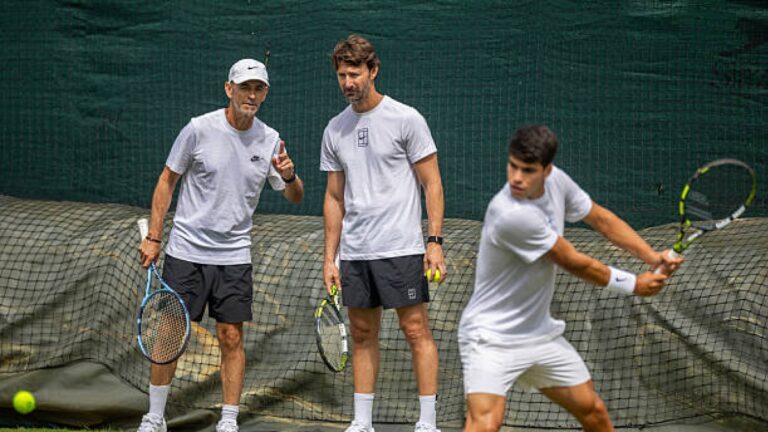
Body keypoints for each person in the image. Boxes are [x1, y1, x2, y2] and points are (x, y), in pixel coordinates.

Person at [458, 125, 684, 432]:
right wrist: (634, 284)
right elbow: (573, 262)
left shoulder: (558, 182)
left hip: (539, 335)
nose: (516, 178)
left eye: (528, 170)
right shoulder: (509, 213)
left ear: (547, 170)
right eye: (512, 166)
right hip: (490, 338)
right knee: (485, 424)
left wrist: (652, 256)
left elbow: (601, 220)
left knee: (593, 411)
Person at [136, 58, 304, 432]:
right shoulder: (198, 129)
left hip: (234, 256)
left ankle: (228, 421)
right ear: (229, 89)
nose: (252, 95)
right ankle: (155, 417)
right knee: (169, 333)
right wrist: (154, 237)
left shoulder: (270, 139)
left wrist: (290, 175)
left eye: (259, 88)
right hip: (186, 251)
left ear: (265, 94)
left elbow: (295, 196)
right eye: (245, 87)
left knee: (231, 336)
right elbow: (167, 181)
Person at [320, 34, 446, 432]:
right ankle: (362, 423)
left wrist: (434, 241)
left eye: (354, 73)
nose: (348, 82)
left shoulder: (406, 119)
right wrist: (330, 257)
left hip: (401, 247)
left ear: (373, 71)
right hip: (356, 253)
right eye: (341, 75)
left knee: (415, 330)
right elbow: (334, 198)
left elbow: (433, 184)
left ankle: (427, 423)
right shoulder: (334, 130)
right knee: (360, 332)